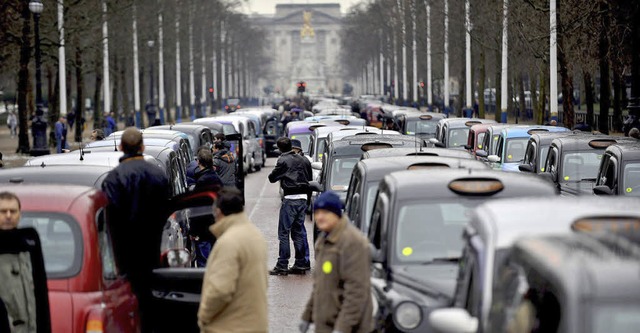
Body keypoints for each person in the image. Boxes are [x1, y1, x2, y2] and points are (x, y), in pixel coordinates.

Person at [101, 127, 170, 333]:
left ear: (121, 147)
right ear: (142, 147)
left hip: (124, 256)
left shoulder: (112, 179)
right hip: (151, 250)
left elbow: (109, 219)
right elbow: (165, 211)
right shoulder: (158, 175)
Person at [299, 191, 373, 333]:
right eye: (317, 212)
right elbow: (319, 285)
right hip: (326, 325)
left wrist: (342, 328)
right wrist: (307, 316)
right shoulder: (323, 239)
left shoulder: (352, 242)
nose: (320, 217)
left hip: (348, 328)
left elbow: (357, 292)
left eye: (325, 212)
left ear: (336, 214)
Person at [197, 188, 268, 332]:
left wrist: (203, 316)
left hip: (230, 326)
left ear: (218, 212)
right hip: (254, 323)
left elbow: (220, 291)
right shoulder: (255, 234)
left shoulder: (228, 242)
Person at [268, 137, 312, 275]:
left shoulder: (283, 160)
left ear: (280, 148)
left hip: (290, 198)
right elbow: (309, 179)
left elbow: (272, 178)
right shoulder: (304, 160)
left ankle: (282, 264)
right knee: (298, 231)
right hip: (303, 198)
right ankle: (300, 263)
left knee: (283, 233)